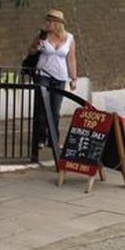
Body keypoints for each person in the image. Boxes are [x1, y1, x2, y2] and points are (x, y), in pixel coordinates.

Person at [26, 9, 77, 148]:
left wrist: (74, 78)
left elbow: (71, 58)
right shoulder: (42, 35)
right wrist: (36, 47)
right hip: (43, 74)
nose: (47, 23)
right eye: (47, 20)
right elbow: (30, 51)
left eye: (50, 21)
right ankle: (40, 138)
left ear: (57, 24)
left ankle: (53, 139)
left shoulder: (70, 38)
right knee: (42, 107)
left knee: (55, 110)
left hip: (60, 76)